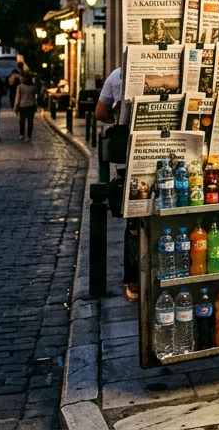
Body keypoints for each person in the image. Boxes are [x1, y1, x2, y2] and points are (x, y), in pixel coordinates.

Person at [96, 67, 141, 303]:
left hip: (126, 151)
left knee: (133, 217)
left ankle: (132, 280)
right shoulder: (116, 76)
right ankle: (132, 278)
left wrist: (116, 120)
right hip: (136, 153)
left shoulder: (117, 75)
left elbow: (101, 111)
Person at [14, 73, 38, 141]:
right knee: (30, 121)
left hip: (23, 106)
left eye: (22, 78)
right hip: (31, 106)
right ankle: (29, 136)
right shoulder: (33, 86)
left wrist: (16, 107)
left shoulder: (20, 86)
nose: (20, 80)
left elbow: (17, 97)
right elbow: (36, 95)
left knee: (22, 121)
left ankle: (22, 134)